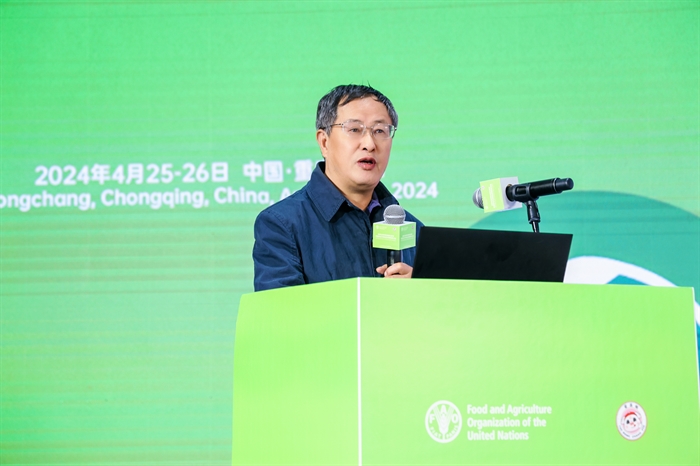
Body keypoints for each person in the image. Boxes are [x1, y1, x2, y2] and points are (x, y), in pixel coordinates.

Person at [252, 84, 423, 292]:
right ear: (324, 142)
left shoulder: (414, 230)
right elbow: (279, 310)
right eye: (354, 129)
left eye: (380, 131)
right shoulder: (282, 225)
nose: (369, 144)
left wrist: (422, 292)